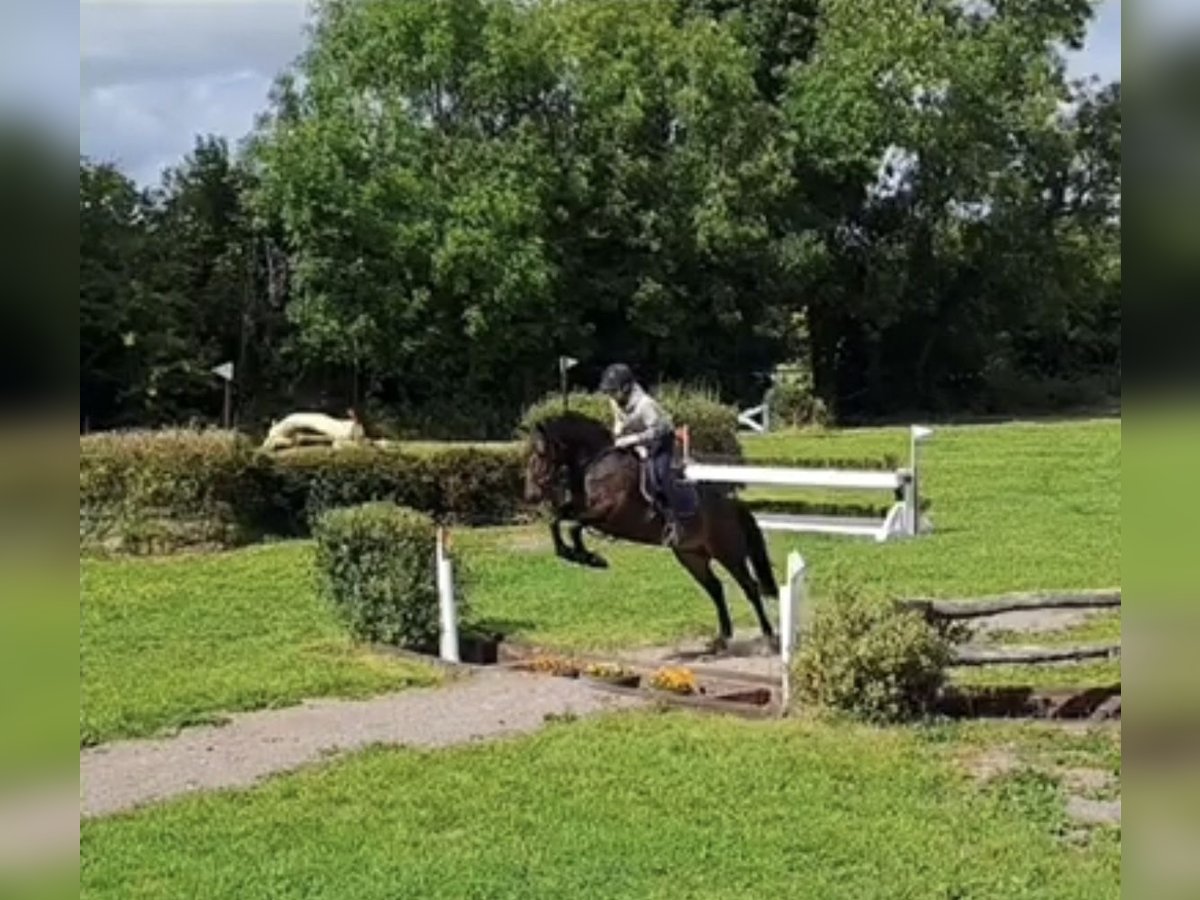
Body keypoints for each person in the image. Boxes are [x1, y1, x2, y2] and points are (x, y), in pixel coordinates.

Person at [598, 362, 681, 545]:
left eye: (614, 391)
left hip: (662, 441)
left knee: (657, 477)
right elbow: (619, 420)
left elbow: (657, 432)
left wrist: (632, 440)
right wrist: (618, 432)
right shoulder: (614, 400)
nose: (610, 395)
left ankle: (672, 521)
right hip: (635, 438)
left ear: (626, 388)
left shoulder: (645, 404)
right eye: (609, 391)